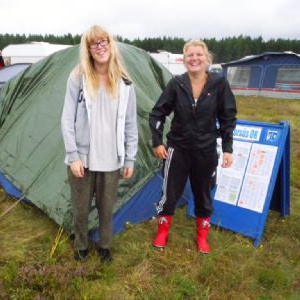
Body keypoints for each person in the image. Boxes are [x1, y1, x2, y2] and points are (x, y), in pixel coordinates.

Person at [149, 39, 237, 254]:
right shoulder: (176, 84)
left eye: (199, 55)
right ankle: (162, 232)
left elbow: (228, 116)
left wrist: (227, 147)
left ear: (207, 58)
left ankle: (202, 236)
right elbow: (157, 113)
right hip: (177, 148)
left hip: (206, 150)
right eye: (190, 55)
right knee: (169, 192)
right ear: (184, 59)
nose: (195, 59)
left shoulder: (219, 84)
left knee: (203, 193)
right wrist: (157, 142)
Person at [61, 25, 138, 262]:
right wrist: (73, 155)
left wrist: (129, 157)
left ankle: (105, 246)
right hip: (82, 159)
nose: (100, 47)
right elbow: (67, 119)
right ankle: (81, 245)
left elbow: (131, 124)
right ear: (88, 49)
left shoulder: (125, 84)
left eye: (104, 41)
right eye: (94, 43)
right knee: (81, 207)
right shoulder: (78, 78)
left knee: (106, 209)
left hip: (112, 159)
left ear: (111, 44)